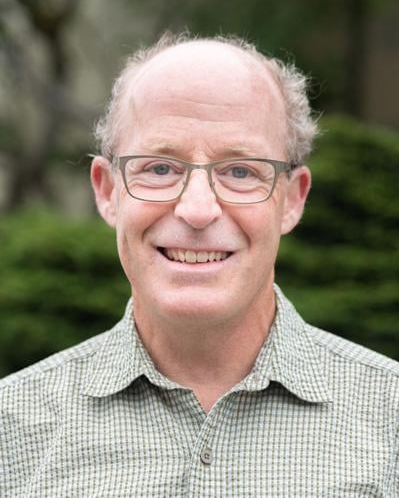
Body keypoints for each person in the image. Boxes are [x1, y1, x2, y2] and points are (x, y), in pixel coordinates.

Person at [1, 32, 398, 497]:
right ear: (107, 192)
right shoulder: (12, 432)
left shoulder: (390, 425)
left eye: (240, 171)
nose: (196, 209)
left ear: (292, 199)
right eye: (160, 168)